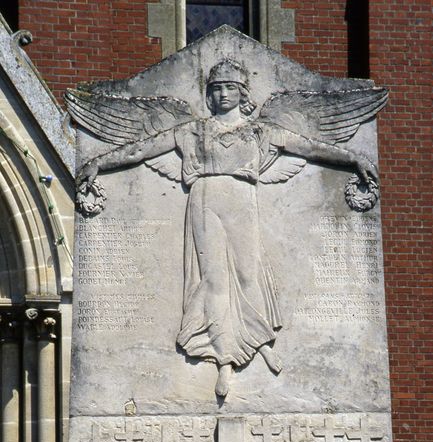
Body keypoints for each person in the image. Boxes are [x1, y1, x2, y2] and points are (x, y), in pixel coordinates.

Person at [76, 59, 378, 397]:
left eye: (230, 88)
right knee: (214, 280)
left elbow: (309, 146)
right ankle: (224, 360)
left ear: (242, 93)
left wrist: (353, 158)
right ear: (208, 94)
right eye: (216, 88)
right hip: (205, 199)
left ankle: (259, 341)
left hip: (241, 200)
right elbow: (142, 149)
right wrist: (99, 162)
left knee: (248, 274)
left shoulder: (260, 131)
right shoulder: (192, 130)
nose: (222, 94)